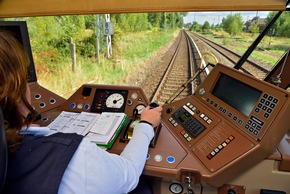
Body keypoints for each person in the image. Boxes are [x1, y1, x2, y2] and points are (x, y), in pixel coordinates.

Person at [0, 30, 163, 194]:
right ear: (15, 91)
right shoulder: (71, 157)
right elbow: (130, 173)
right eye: (25, 79)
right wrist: (146, 124)